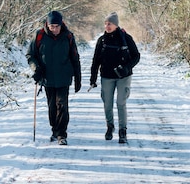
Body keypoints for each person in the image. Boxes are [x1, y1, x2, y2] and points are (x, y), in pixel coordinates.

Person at [27, 10, 82, 145]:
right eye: (52, 27)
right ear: (48, 24)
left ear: (61, 24)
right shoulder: (39, 36)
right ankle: (55, 130)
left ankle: (62, 134)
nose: (55, 29)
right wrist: (36, 69)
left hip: (64, 77)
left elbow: (75, 57)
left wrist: (78, 77)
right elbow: (30, 55)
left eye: (57, 26)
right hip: (47, 78)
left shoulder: (68, 36)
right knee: (52, 107)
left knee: (62, 105)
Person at [89, 12, 140, 143]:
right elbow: (96, 60)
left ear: (116, 25)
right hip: (106, 76)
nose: (107, 26)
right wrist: (93, 78)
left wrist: (127, 67)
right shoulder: (102, 40)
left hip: (123, 76)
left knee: (121, 103)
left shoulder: (126, 38)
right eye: (105, 24)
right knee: (107, 104)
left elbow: (136, 56)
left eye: (109, 24)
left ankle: (122, 130)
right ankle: (110, 126)